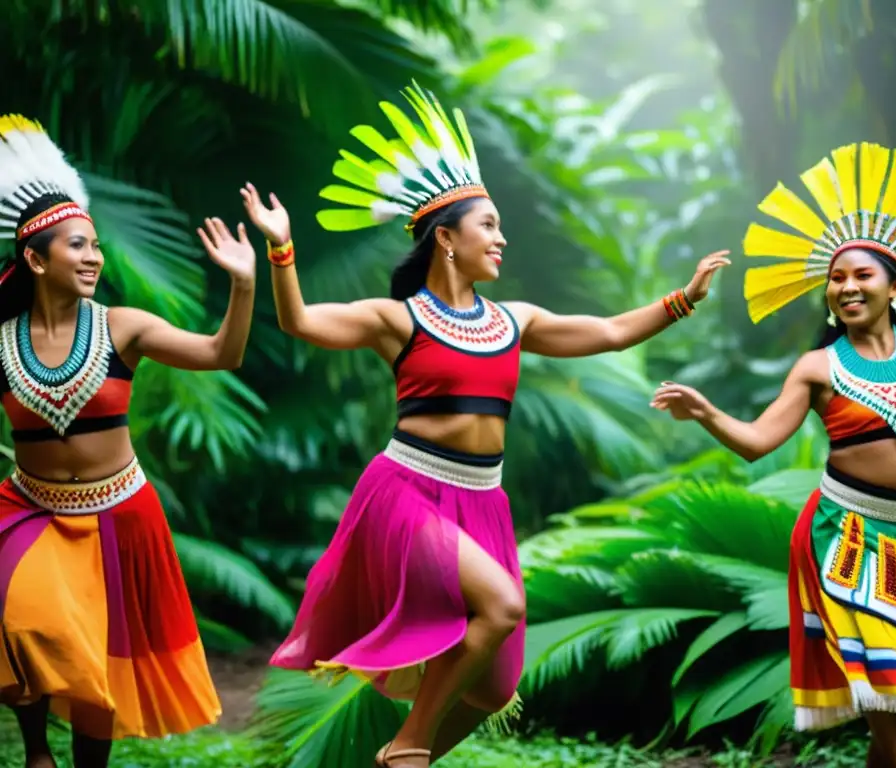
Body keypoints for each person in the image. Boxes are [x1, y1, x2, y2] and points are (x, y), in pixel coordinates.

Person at [241, 81, 730, 768]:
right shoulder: (399, 318)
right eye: (489, 227)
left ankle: (407, 759)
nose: (502, 239)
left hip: (482, 503)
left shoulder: (513, 321)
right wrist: (282, 249)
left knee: (494, 687)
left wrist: (683, 299)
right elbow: (300, 322)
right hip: (407, 494)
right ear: (446, 238)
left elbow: (614, 331)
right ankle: (408, 745)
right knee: (498, 606)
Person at [652, 142, 896, 767]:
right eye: (836, 279)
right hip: (845, 540)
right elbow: (757, 443)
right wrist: (709, 414)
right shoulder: (816, 367)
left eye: (861, 275)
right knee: (891, 712)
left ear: (894, 288)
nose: (846, 287)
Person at [0, 114, 257, 767]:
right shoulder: (1, 344)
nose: (93, 258)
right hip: (33, 508)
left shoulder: (123, 327)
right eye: (76, 247)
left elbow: (220, 354)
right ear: (34, 258)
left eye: (95, 246)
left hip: (119, 515)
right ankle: (35, 752)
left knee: (99, 664)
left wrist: (244, 282)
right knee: (22, 621)